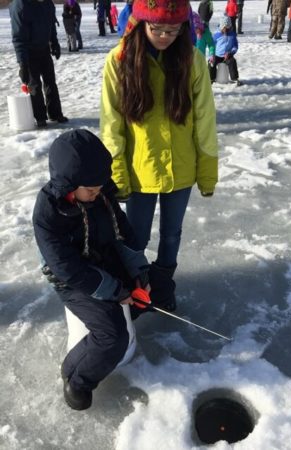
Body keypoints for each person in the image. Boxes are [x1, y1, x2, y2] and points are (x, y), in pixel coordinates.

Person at [100, 0, 218, 312]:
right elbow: (111, 125)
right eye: (157, 29)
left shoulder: (192, 60)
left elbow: (205, 120)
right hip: (140, 171)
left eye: (173, 30)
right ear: (141, 24)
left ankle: (163, 287)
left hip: (181, 170)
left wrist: (206, 170)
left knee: (171, 234)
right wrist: (117, 172)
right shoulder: (119, 60)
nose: (165, 36)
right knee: (134, 238)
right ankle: (138, 289)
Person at [32, 129, 150, 410]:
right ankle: (76, 377)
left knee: (145, 292)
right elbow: (66, 267)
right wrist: (113, 289)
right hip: (72, 279)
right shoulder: (49, 213)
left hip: (102, 259)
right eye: (91, 188)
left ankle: (127, 309)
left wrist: (139, 272)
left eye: (100, 185)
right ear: (69, 183)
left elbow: (124, 234)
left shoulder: (101, 194)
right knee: (113, 335)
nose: (98, 192)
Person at [9, 0, 68, 128]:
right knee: (34, 86)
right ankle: (40, 117)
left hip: (44, 49)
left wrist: (54, 42)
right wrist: (22, 63)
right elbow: (18, 37)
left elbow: (51, 23)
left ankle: (55, 113)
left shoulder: (47, 4)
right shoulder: (20, 6)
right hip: (29, 52)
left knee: (50, 82)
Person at [210, 15, 242, 86]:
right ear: (221, 27)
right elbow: (212, 46)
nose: (226, 31)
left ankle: (235, 78)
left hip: (227, 56)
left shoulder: (232, 35)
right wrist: (211, 55)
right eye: (224, 29)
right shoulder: (216, 35)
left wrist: (230, 53)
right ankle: (211, 79)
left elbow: (235, 46)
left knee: (232, 61)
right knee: (211, 63)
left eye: (228, 28)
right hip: (217, 55)